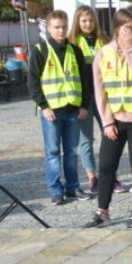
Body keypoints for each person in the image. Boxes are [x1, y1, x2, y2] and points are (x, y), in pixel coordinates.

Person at [83, 10, 132, 228]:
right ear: (117, 29)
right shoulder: (103, 53)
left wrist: (130, 48)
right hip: (115, 117)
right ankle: (102, 210)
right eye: (128, 28)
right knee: (106, 164)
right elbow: (99, 90)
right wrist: (106, 121)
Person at [27, 10, 90, 205]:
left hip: (72, 109)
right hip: (52, 111)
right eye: (56, 27)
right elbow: (32, 82)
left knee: (71, 152)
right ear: (48, 28)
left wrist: (84, 105)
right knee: (53, 153)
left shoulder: (75, 50)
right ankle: (55, 190)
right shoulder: (40, 50)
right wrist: (44, 106)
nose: (60, 31)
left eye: (63, 27)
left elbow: (84, 80)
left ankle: (72, 188)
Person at [67, 5, 114, 195]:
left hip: (103, 95)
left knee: (109, 135)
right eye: (84, 21)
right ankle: (92, 178)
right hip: (85, 98)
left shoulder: (104, 41)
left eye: (91, 20)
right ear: (77, 22)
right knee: (86, 140)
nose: (88, 24)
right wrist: (79, 103)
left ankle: (109, 174)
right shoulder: (72, 43)